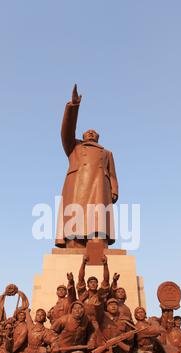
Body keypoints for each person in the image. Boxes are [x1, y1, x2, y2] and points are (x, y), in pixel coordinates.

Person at [55, 84, 118, 248]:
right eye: (87, 131)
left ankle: (97, 242)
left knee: (98, 226)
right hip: (77, 187)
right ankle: (74, 242)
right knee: (75, 225)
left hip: (99, 189)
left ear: (98, 137)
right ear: (82, 136)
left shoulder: (107, 153)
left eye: (94, 132)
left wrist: (114, 190)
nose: (90, 132)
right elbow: (66, 131)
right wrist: (73, 107)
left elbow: (112, 174)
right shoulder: (74, 147)